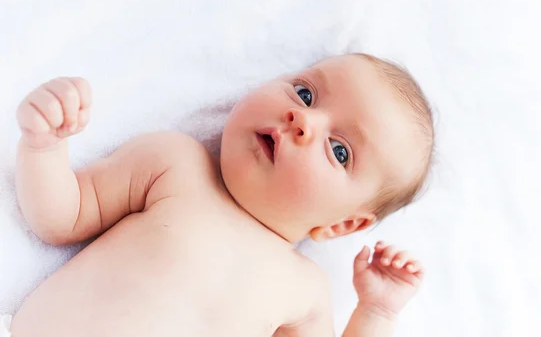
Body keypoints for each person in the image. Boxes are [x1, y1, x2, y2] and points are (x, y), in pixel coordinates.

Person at [6, 53, 434, 336]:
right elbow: (61, 217)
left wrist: (376, 314)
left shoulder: (305, 290)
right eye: (306, 93)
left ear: (342, 224)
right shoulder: (173, 162)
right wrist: (44, 146)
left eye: (339, 150)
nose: (303, 119)